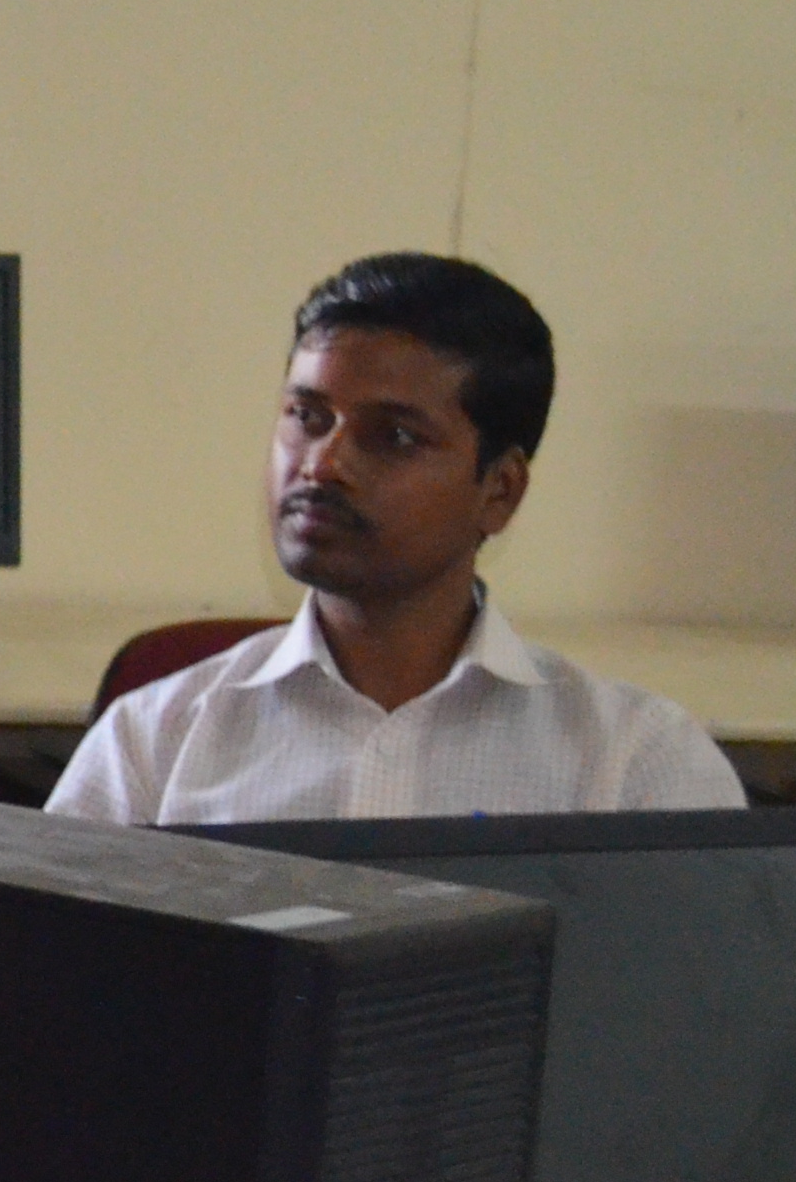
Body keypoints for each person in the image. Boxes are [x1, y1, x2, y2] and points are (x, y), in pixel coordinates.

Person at [50, 253, 740, 825]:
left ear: (499, 491)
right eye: (307, 417)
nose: (322, 464)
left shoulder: (635, 765)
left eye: (396, 437)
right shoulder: (154, 743)